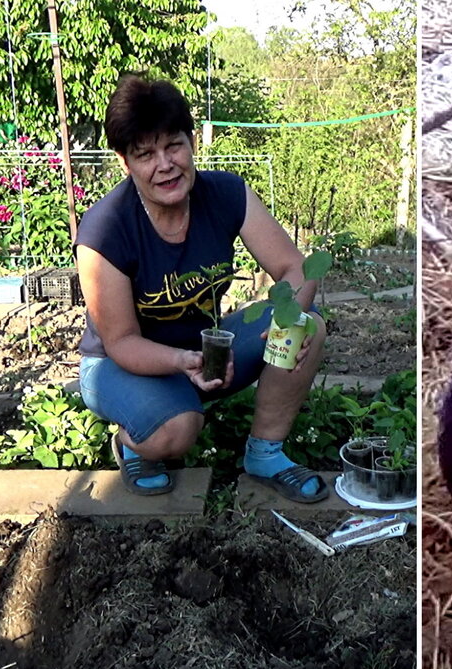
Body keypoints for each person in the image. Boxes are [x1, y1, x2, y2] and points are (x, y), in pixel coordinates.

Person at [74, 74, 329, 502]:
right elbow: (120, 342)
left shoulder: (226, 194)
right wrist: (182, 361)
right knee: (177, 430)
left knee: (309, 326)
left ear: (192, 142)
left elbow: (295, 268)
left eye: (173, 145)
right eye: (145, 154)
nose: (165, 164)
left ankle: (265, 454)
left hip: (202, 350)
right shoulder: (106, 228)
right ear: (125, 162)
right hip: (120, 365)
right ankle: (132, 443)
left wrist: (291, 318)